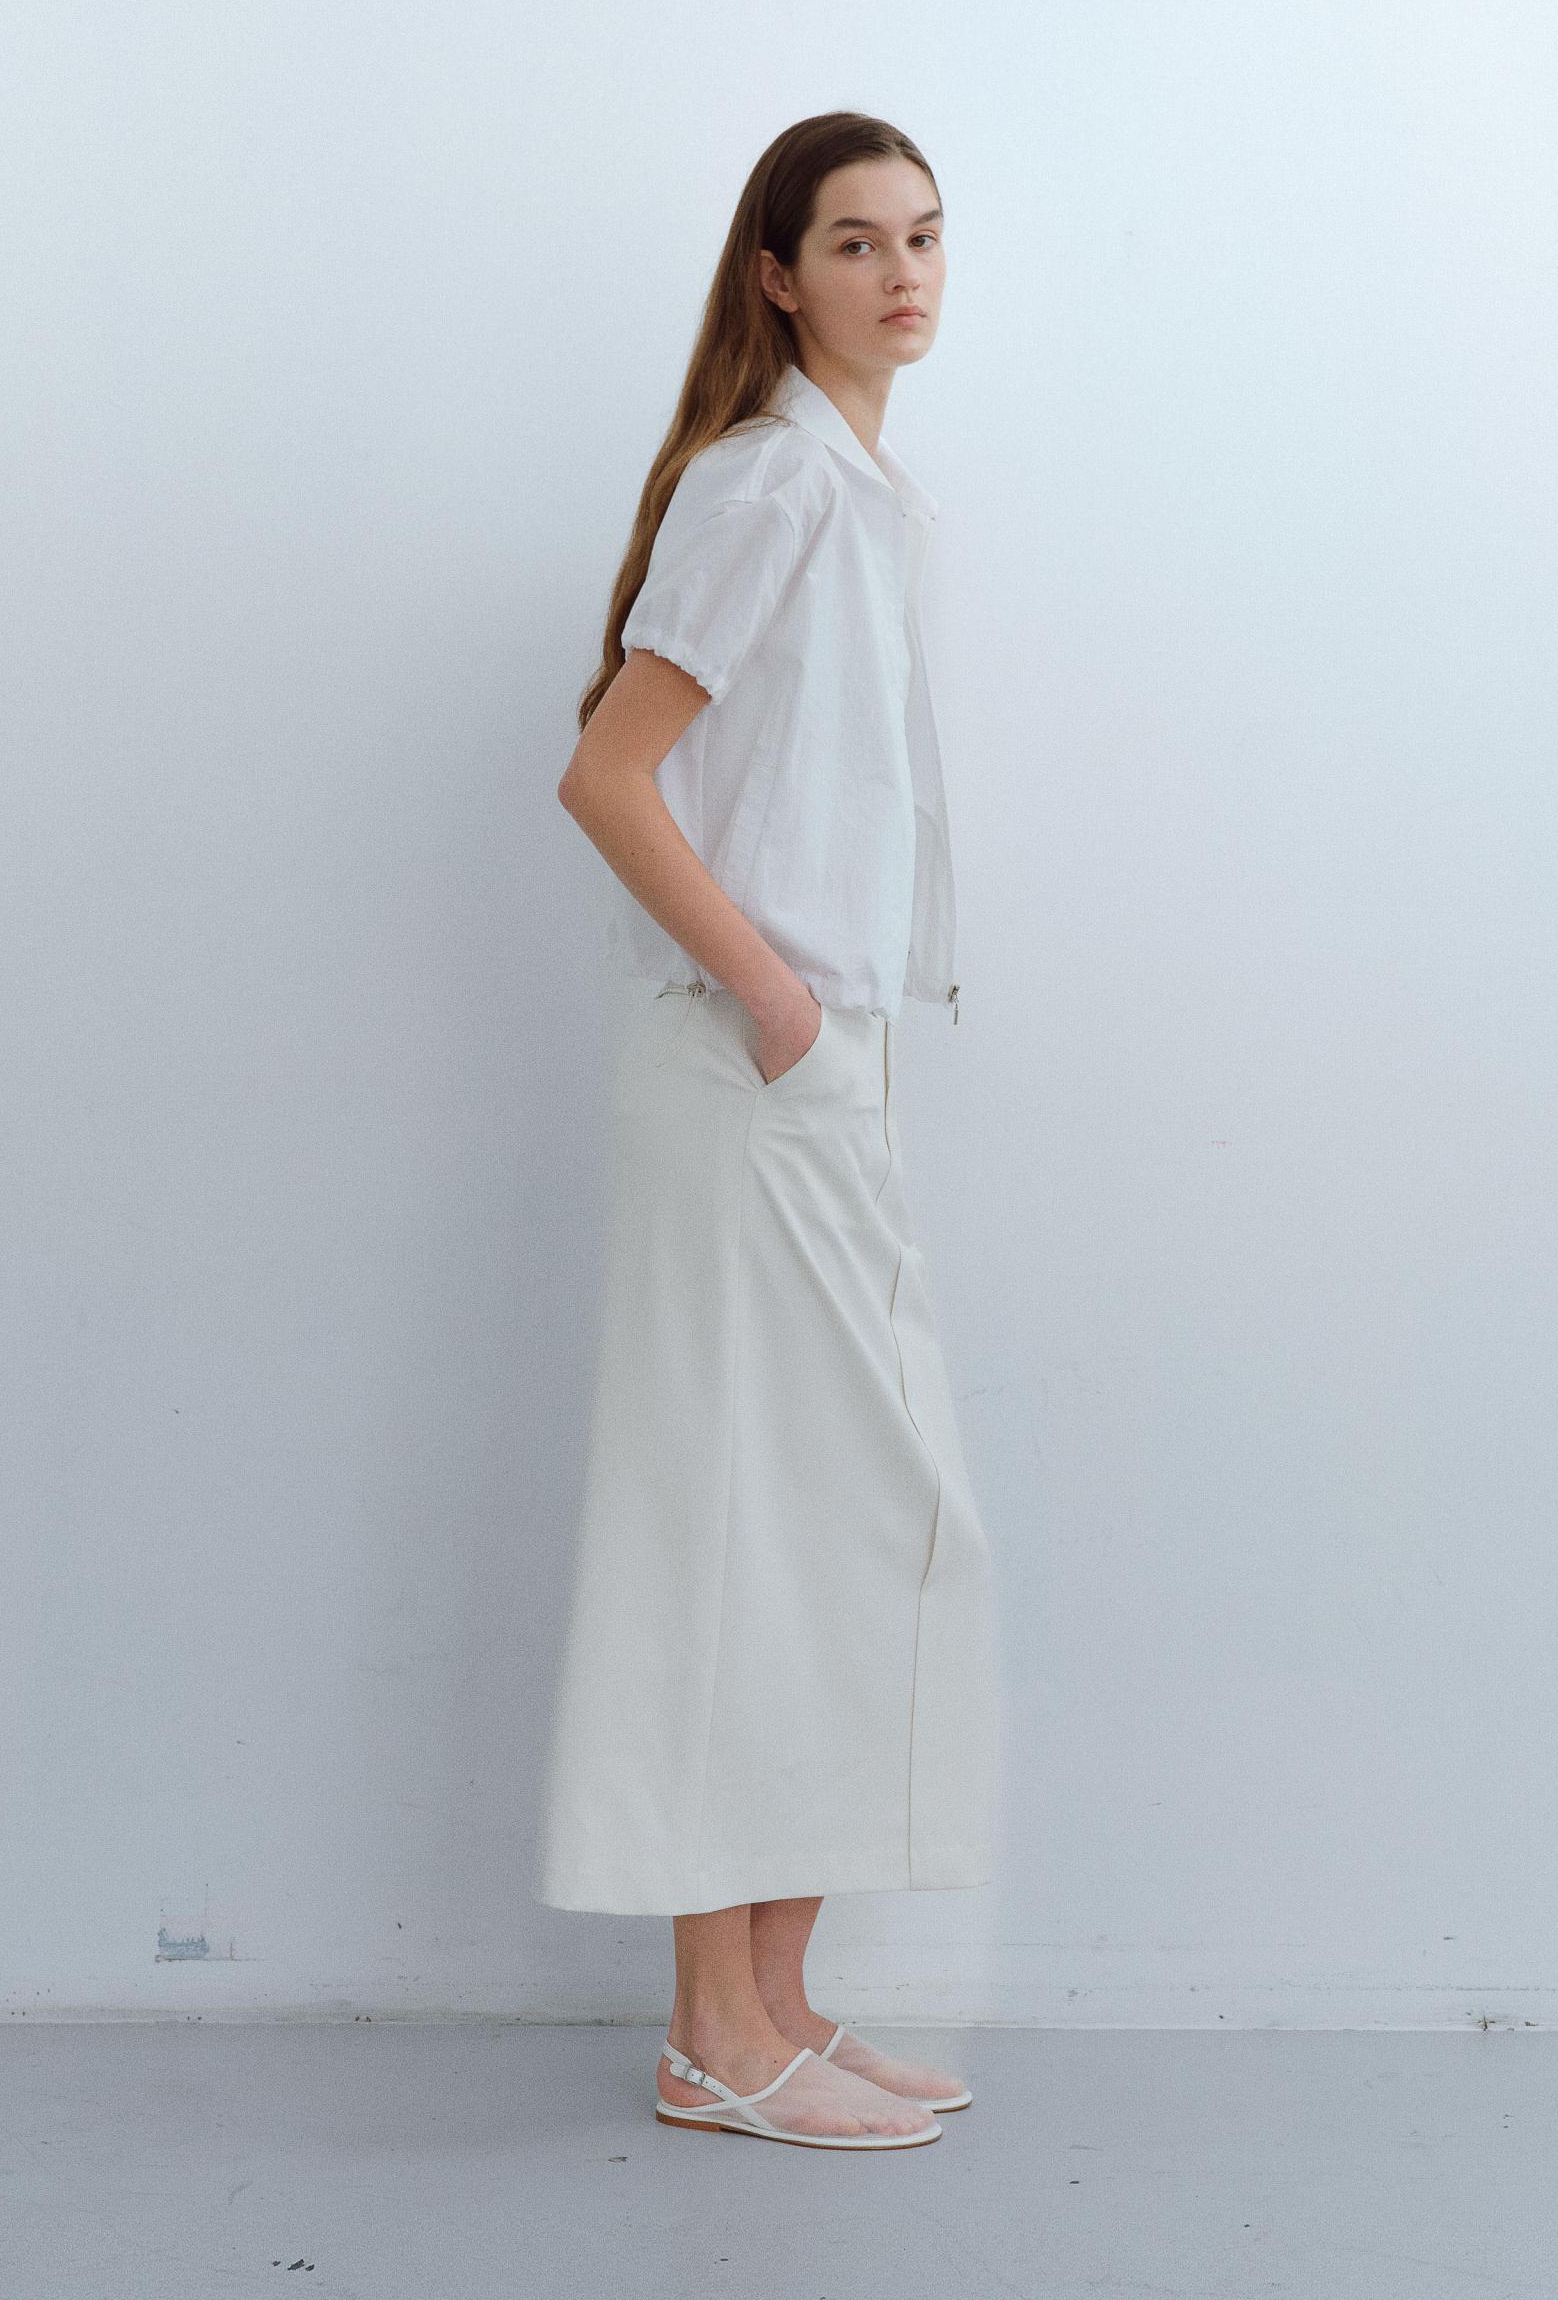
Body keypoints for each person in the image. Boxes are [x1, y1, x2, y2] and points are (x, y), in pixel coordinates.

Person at [534, 112, 997, 2152]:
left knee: (837, 1529)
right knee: (750, 1530)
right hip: (751, 1074)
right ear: (776, 277)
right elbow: (609, 772)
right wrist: (781, 1002)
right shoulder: (768, 483)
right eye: (858, 240)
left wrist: (833, 1027)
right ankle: (715, 2034)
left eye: (926, 237)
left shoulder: (862, 491)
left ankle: (774, 2008)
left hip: (823, 1066)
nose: (904, 274)